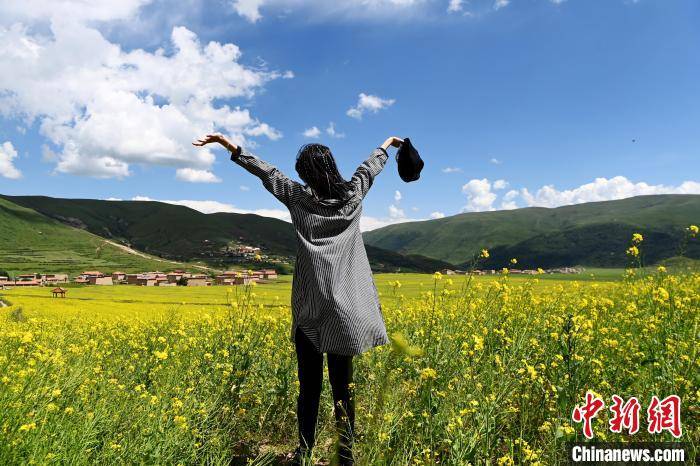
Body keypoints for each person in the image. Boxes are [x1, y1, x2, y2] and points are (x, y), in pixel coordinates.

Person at [193, 133, 403, 465]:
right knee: (342, 389)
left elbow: (268, 173)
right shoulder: (354, 196)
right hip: (346, 313)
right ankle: (345, 457)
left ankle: (304, 454)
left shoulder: (298, 198)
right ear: (332, 166)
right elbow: (369, 168)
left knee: (309, 388)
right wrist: (387, 145)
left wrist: (230, 147)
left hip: (310, 310)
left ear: (304, 174)